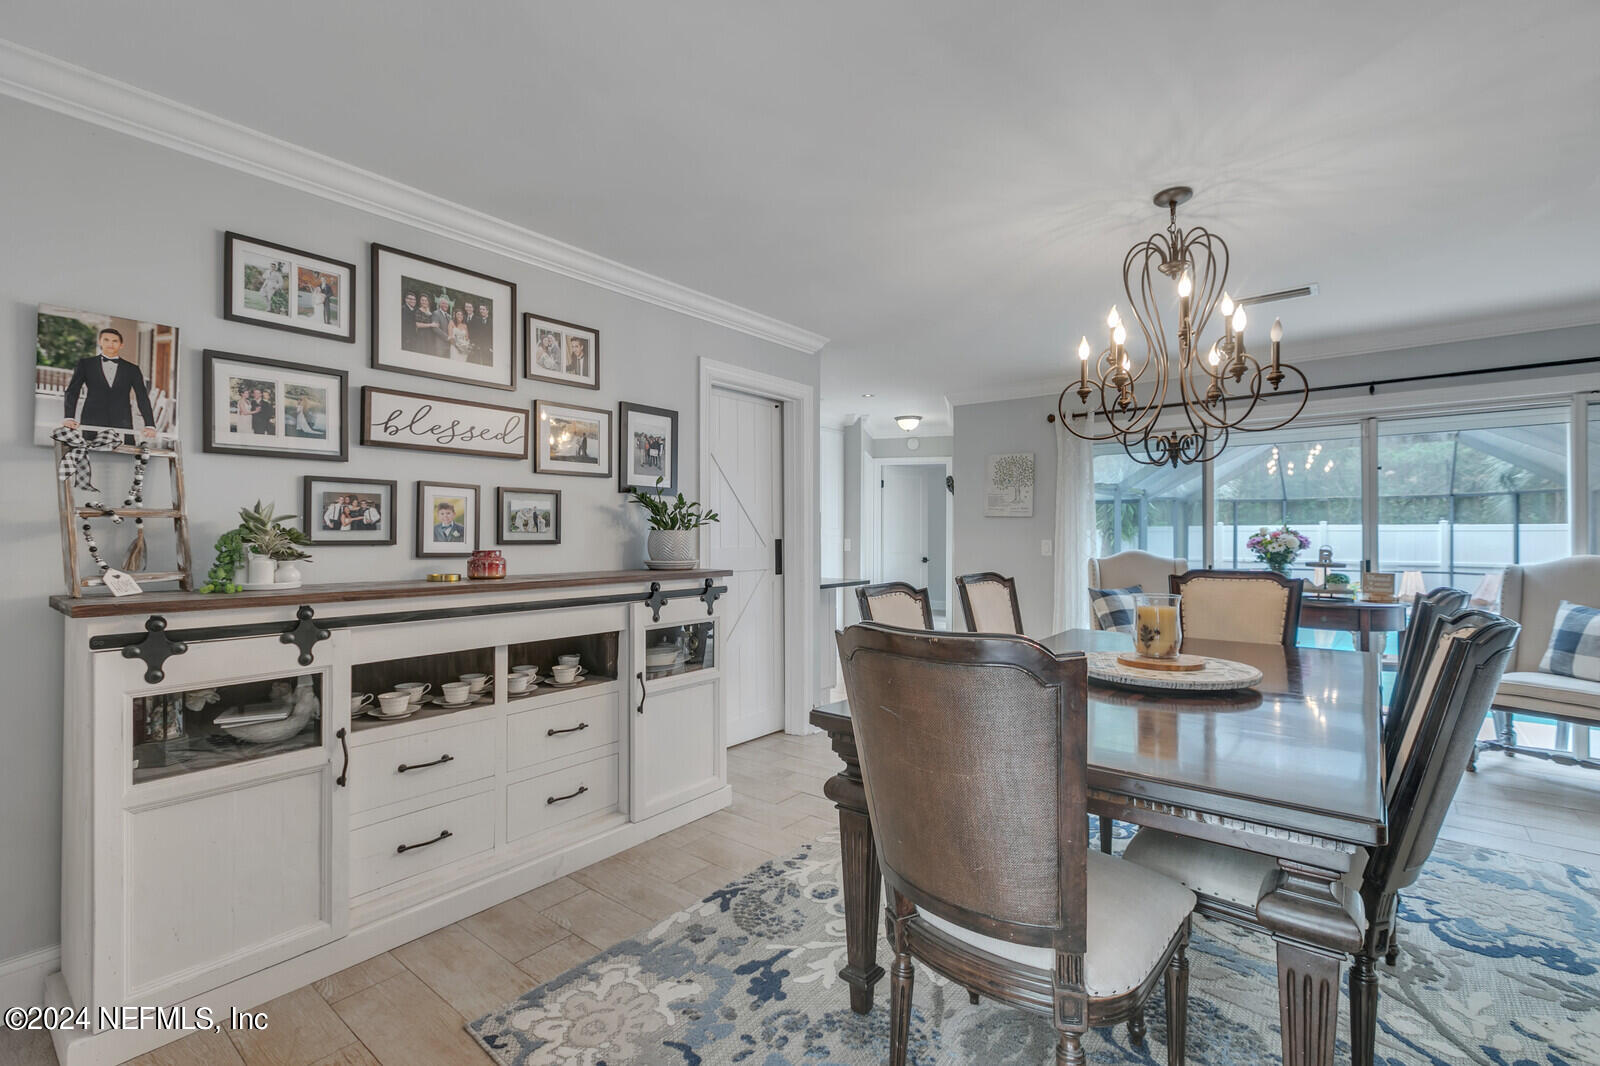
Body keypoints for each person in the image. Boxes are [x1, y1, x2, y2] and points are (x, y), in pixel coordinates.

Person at [61, 327, 158, 438]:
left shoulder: (132, 369)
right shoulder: (86, 364)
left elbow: (142, 397)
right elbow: (72, 391)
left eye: (115, 341)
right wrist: (69, 417)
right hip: (92, 419)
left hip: (122, 421)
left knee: (123, 453)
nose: (110, 344)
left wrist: (150, 424)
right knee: (92, 452)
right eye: (106, 340)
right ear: (100, 342)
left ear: (121, 345)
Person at [431, 294, 452, 359]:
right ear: (440, 304)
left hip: (448, 346)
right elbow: (435, 328)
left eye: (447, 304)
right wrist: (447, 337)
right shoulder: (436, 313)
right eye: (444, 303)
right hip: (439, 345)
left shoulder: (449, 316)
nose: (446, 305)